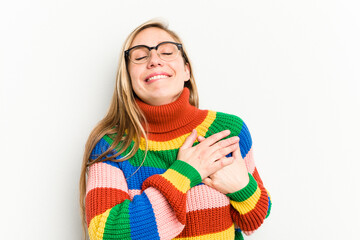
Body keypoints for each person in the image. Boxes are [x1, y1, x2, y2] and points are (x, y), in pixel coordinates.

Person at [79, 19, 271, 240]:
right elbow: (106, 234)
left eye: (167, 52)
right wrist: (184, 173)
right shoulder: (112, 145)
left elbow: (256, 218)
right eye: (140, 56)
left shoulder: (228, 131)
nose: (154, 60)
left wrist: (242, 187)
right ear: (128, 78)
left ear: (186, 70)